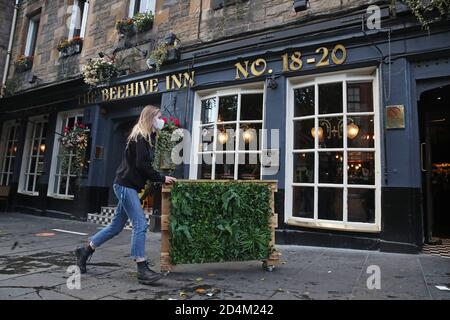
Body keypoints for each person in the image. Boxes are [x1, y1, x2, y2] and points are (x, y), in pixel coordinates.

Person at [75, 105, 177, 285]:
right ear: (150, 118)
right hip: (125, 185)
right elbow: (142, 166)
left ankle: (85, 250)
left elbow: (142, 166)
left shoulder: (147, 137)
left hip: (128, 185)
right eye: (159, 117)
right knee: (140, 223)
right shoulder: (140, 137)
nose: (162, 120)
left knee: (115, 227)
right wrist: (162, 178)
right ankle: (141, 267)